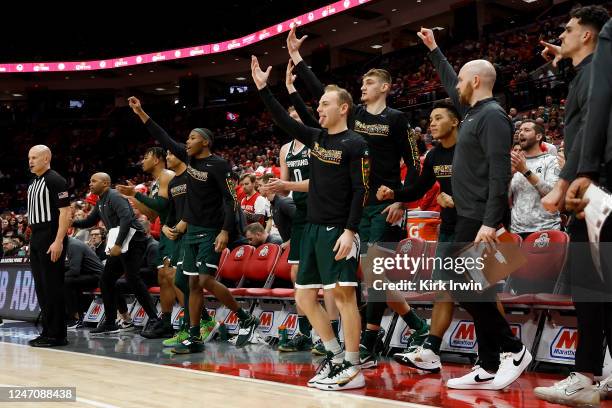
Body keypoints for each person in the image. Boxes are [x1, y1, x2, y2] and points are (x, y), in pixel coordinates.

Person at [286, 28, 429, 368]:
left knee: (373, 273)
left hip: (384, 207)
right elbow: (325, 94)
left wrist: (402, 199)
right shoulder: (354, 118)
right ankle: (414, 324)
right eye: (361, 83)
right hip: (355, 208)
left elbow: (415, 165)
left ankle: (369, 338)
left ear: (385, 87)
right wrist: (297, 60)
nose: (363, 85)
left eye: (369, 82)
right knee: (361, 278)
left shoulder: (398, 120)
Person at [418, 27, 531, 390]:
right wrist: (435, 49)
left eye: (464, 81)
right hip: (470, 215)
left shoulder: (494, 117)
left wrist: (489, 221)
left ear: (477, 81)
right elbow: (453, 82)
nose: (457, 88)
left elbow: (500, 173)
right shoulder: (473, 112)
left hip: (479, 217)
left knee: (457, 282)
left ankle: (513, 349)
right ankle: (487, 363)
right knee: (476, 287)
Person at [252, 55, 368, 390]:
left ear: (343, 108)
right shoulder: (317, 140)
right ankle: (334, 355)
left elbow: (361, 190)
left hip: (338, 230)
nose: (319, 109)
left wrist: (350, 231)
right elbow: (283, 121)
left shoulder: (356, 143)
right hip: (312, 229)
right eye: (318, 104)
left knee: (345, 297)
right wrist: (264, 89)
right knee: (304, 299)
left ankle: (353, 365)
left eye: (325, 103)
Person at [128, 96, 260, 354]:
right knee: (188, 283)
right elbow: (163, 137)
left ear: (205, 142)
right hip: (191, 232)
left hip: (211, 231)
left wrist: (224, 230)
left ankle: (245, 318)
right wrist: (141, 112)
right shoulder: (190, 162)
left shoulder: (220, 165)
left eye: (191, 138)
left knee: (203, 281)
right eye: (186, 139)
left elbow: (232, 201)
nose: (186, 142)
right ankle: (194, 336)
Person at [538, 7, 612, 406]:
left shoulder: (596, 72)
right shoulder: (589, 73)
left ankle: (584, 375)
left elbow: (587, 133)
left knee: (590, 289)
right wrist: (565, 62)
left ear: (588, 36)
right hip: (598, 185)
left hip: (594, 189)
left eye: (568, 30)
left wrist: (567, 182)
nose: (561, 35)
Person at [260, 62, 342, 354]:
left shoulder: (318, 143)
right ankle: (307, 331)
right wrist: (273, 189)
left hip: (322, 209)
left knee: (327, 278)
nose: (293, 119)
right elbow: (284, 184)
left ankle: (332, 332)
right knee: (298, 276)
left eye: (297, 115)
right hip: (299, 214)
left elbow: (318, 183)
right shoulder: (285, 149)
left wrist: (285, 188)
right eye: (290, 116)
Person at [378, 100, 460, 372]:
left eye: (438, 118)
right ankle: (431, 351)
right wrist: (396, 195)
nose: (431, 124)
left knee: (481, 294)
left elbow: (488, 188)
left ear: (455, 121)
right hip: (448, 229)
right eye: (430, 119)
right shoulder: (435, 156)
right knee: (443, 292)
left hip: (474, 227)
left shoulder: (469, 151)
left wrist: (458, 201)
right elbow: (418, 188)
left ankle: (505, 351)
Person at [71, 172, 161, 336]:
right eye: (90, 181)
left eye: (94, 181)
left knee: (133, 278)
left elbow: (126, 219)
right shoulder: (100, 200)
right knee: (106, 279)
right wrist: (71, 222)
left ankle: (155, 319)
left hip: (134, 241)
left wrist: (118, 244)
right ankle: (111, 322)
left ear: (105, 183)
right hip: (121, 241)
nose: (90, 184)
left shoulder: (114, 196)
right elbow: (89, 222)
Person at [117, 147, 177, 339]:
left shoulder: (167, 175)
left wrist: (136, 195)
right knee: (163, 277)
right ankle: (166, 324)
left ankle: (196, 323)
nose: (142, 161)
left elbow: (162, 205)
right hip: (166, 233)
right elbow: (152, 215)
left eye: (145, 157)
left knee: (176, 279)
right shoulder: (154, 183)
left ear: (158, 160)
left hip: (178, 231)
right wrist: (134, 199)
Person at [26, 145, 71, 347]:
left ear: (46, 158)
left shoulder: (55, 180)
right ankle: (47, 331)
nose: (30, 161)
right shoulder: (34, 182)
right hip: (36, 237)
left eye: (35, 157)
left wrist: (58, 241)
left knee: (53, 286)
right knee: (42, 287)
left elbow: (65, 213)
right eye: (29, 157)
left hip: (51, 236)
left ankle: (57, 334)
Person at [509, 120, 561, 238]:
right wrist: (509, 175)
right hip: (517, 230)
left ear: (538, 136)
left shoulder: (552, 161)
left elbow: (551, 195)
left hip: (546, 229)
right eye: (520, 130)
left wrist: (525, 171)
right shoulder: (516, 164)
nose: (521, 133)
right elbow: (507, 200)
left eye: (527, 130)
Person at [64, 237, 103, 329]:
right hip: (87, 274)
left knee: (66, 282)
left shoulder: (73, 245)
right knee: (68, 282)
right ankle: (76, 315)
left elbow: (74, 271)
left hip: (98, 277)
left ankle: (74, 318)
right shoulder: (69, 244)